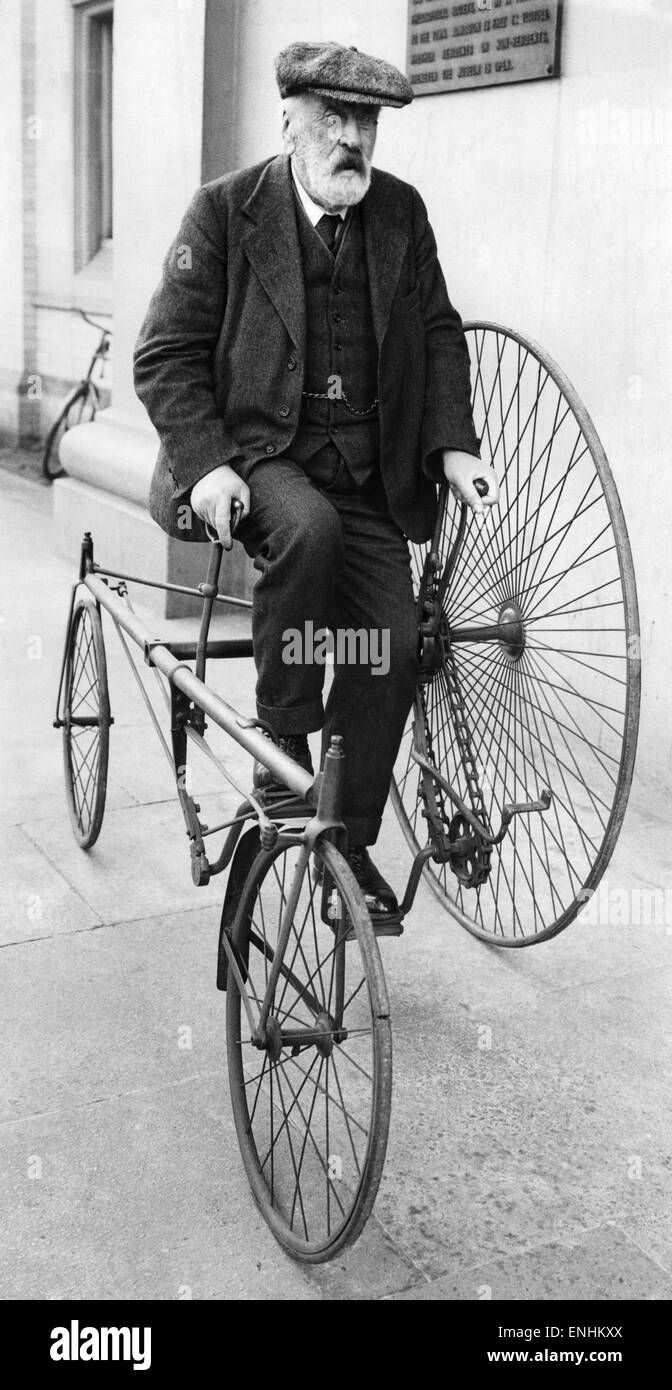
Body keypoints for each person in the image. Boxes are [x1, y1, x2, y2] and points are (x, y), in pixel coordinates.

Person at [133, 40, 499, 920]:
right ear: (289, 118)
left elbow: (441, 331)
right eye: (332, 118)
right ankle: (283, 735)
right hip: (260, 457)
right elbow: (166, 354)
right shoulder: (226, 213)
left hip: (366, 475)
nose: (351, 140)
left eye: (365, 122)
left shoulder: (401, 215)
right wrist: (210, 461)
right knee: (309, 532)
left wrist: (453, 444)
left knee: (394, 641)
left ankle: (345, 840)